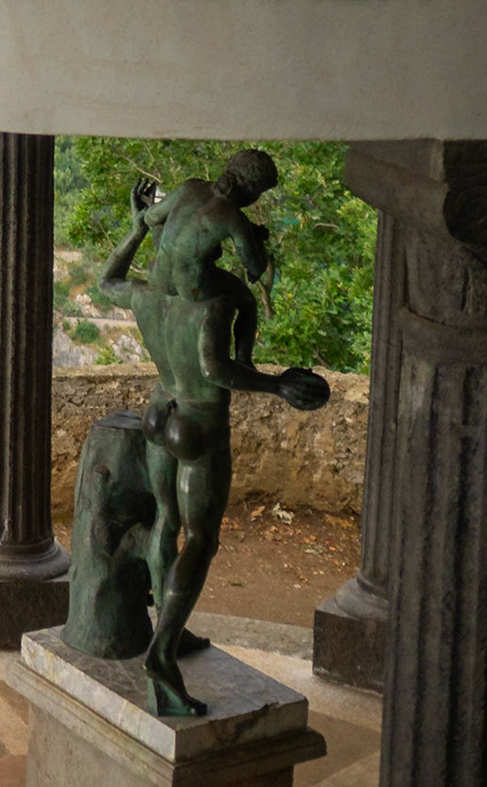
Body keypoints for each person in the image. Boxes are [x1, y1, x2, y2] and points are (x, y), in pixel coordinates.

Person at [96, 156, 330, 716]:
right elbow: (219, 370)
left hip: (158, 409)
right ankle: (162, 653)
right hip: (197, 422)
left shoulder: (150, 294)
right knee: (200, 539)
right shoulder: (216, 303)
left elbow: (108, 279)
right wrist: (276, 385)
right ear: (250, 191)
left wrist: (134, 227)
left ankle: (168, 628)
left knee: (166, 522)